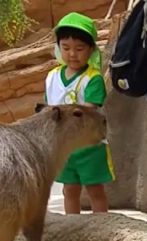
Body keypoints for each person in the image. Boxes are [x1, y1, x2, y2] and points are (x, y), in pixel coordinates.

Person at [45, 12, 114, 214]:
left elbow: (91, 108)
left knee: (94, 189)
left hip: (89, 147)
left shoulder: (92, 78)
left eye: (79, 48)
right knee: (70, 189)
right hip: (64, 147)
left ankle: (101, 227)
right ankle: (72, 228)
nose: (72, 54)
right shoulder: (51, 77)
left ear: (91, 49)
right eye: (65, 48)